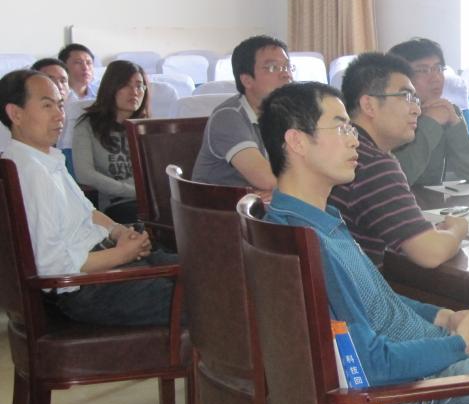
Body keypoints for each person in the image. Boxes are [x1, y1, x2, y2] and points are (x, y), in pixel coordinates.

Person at [259, 82, 469, 404]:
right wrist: (460, 344)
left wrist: (443, 317)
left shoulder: (312, 220)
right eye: (341, 128)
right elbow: (373, 365)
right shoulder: (306, 242)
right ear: (297, 141)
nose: (354, 141)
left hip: (417, 377)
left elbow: (377, 300)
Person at [0, 69, 178, 326]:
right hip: (88, 288)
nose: (59, 115)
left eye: (60, 105)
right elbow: (53, 267)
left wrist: (119, 232)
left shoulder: (45, 159)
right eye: (47, 105)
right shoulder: (29, 172)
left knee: (205, 268)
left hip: (103, 262)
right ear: (15, 114)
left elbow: (88, 212)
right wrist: (123, 255)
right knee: (208, 294)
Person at [330, 52, 469, 268]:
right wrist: (458, 228)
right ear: (369, 105)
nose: (417, 109)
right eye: (406, 97)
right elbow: (431, 253)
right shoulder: (372, 164)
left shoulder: (340, 148)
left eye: (416, 99)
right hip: (363, 287)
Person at [192, 35, 292, 191]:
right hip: (220, 205)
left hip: (262, 202)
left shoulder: (288, 113)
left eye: (287, 67)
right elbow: (268, 181)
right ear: (247, 80)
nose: (286, 74)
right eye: (273, 68)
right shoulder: (228, 118)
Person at [388, 38, 469, 186]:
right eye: (423, 70)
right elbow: (398, 178)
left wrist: (455, 123)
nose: (436, 78)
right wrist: (430, 123)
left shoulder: (446, 110)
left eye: (438, 69)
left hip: (431, 200)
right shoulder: (388, 114)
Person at [71, 60, 148, 223]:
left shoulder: (148, 126)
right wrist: (134, 192)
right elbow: (85, 174)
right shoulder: (87, 125)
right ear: (111, 87)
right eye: (126, 85)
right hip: (119, 203)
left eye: (139, 85)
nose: (134, 92)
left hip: (155, 200)